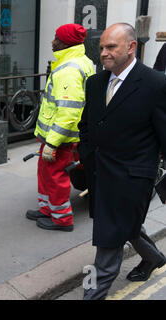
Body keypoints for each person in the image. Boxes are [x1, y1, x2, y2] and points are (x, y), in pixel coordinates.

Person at [78, 23, 166, 300]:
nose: (103, 53)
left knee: (108, 245)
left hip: (132, 181)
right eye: (101, 47)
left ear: (131, 47)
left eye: (111, 47)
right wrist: (86, 154)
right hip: (99, 174)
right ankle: (154, 258)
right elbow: (86, 125)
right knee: (125, 227)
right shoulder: (95, 82)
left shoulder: (156, 84)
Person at [26, 23, 95, 232]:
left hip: (60, 139)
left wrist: (52, 142)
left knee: (55, 177)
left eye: (56, 38)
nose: (52, 41)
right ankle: (47, 209)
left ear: (66, 42)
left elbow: (68, 111)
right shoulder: (80, 62)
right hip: (58, 136)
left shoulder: (69, 70)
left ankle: (62, 219)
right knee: (46, 173)